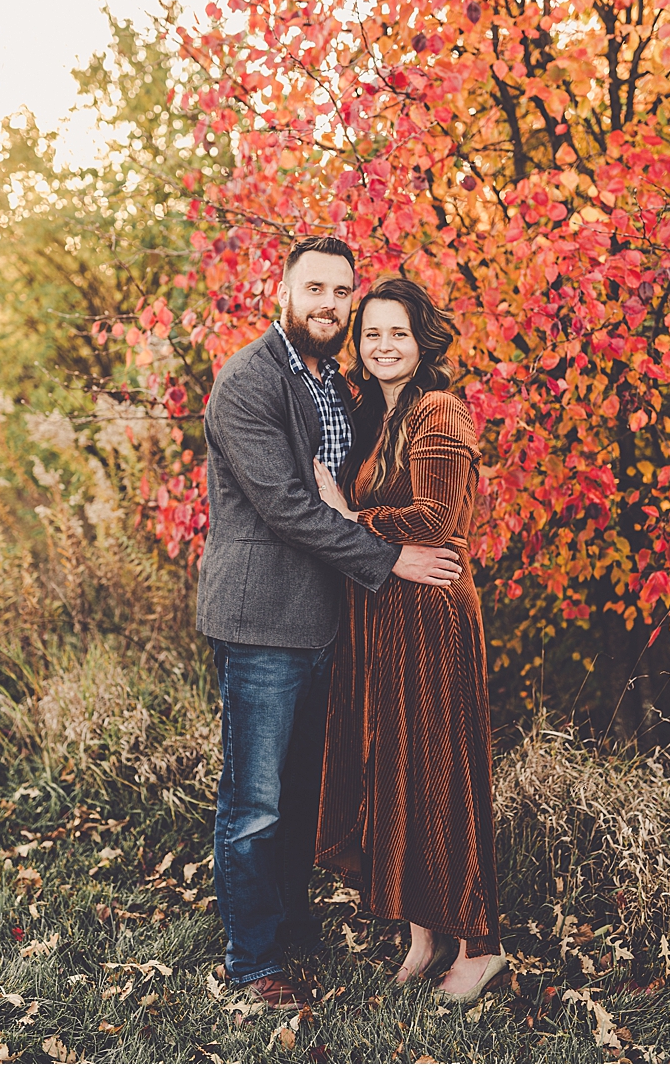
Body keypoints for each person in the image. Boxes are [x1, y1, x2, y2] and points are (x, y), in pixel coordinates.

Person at [198, 235, 463, 1009]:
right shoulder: (249, 381)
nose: (330, 304)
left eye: (341, 292)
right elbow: (285, 505)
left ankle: (287, 925)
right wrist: (390, 559)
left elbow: (348, 491)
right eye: (315, 288)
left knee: (300, 790)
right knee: (256, 799)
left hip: (323, 619)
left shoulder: (334, 383)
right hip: (260, 620)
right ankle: (252, 961)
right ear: (283, 289)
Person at [312, 276, 506, 1003]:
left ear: (422, 340)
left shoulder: (438, 411)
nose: (383, 345)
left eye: (397, 332)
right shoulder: (376, 415)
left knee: (441, 776)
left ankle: (480, 943)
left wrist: (350, 519)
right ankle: (424, 935)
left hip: (431, 616)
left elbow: (435, 521)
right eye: (372, 334)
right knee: (396, 772)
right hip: (384, 613)